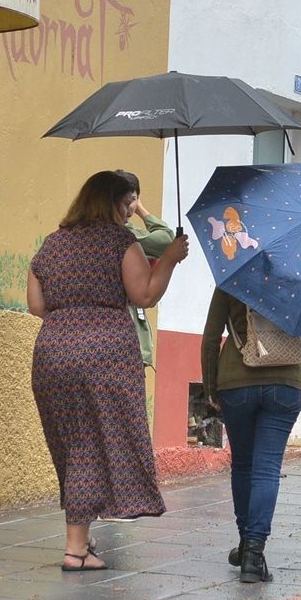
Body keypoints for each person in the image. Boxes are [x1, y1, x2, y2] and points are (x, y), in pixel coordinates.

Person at [29, 170, 190, 571]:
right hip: (104, 354)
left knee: (72, 444)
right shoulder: (120, 241)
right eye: (126, 204)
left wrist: (70, 318)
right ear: (113, 203)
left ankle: (81, 539)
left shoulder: (51, 245)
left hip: (52, 353)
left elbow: (36, 305)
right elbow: (144, 293)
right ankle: (74, 549)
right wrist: (168, 259)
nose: (129, 212)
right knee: (96, 444)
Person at [201, 289, 301, 583]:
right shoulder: (295, 274)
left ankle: (247, 544)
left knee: (244, 466)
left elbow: (210, 338)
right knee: (267, 469)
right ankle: (253, 554)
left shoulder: (233, 273)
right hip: (284, 383)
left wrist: (210, 387)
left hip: (237, 382)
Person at [114, 170, 176, 421]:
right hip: (126, 344)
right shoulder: (126, 235)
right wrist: (142, 210)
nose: (130, 207)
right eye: (128, 200)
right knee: (127, 419)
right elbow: (166, 239)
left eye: (134, 200)